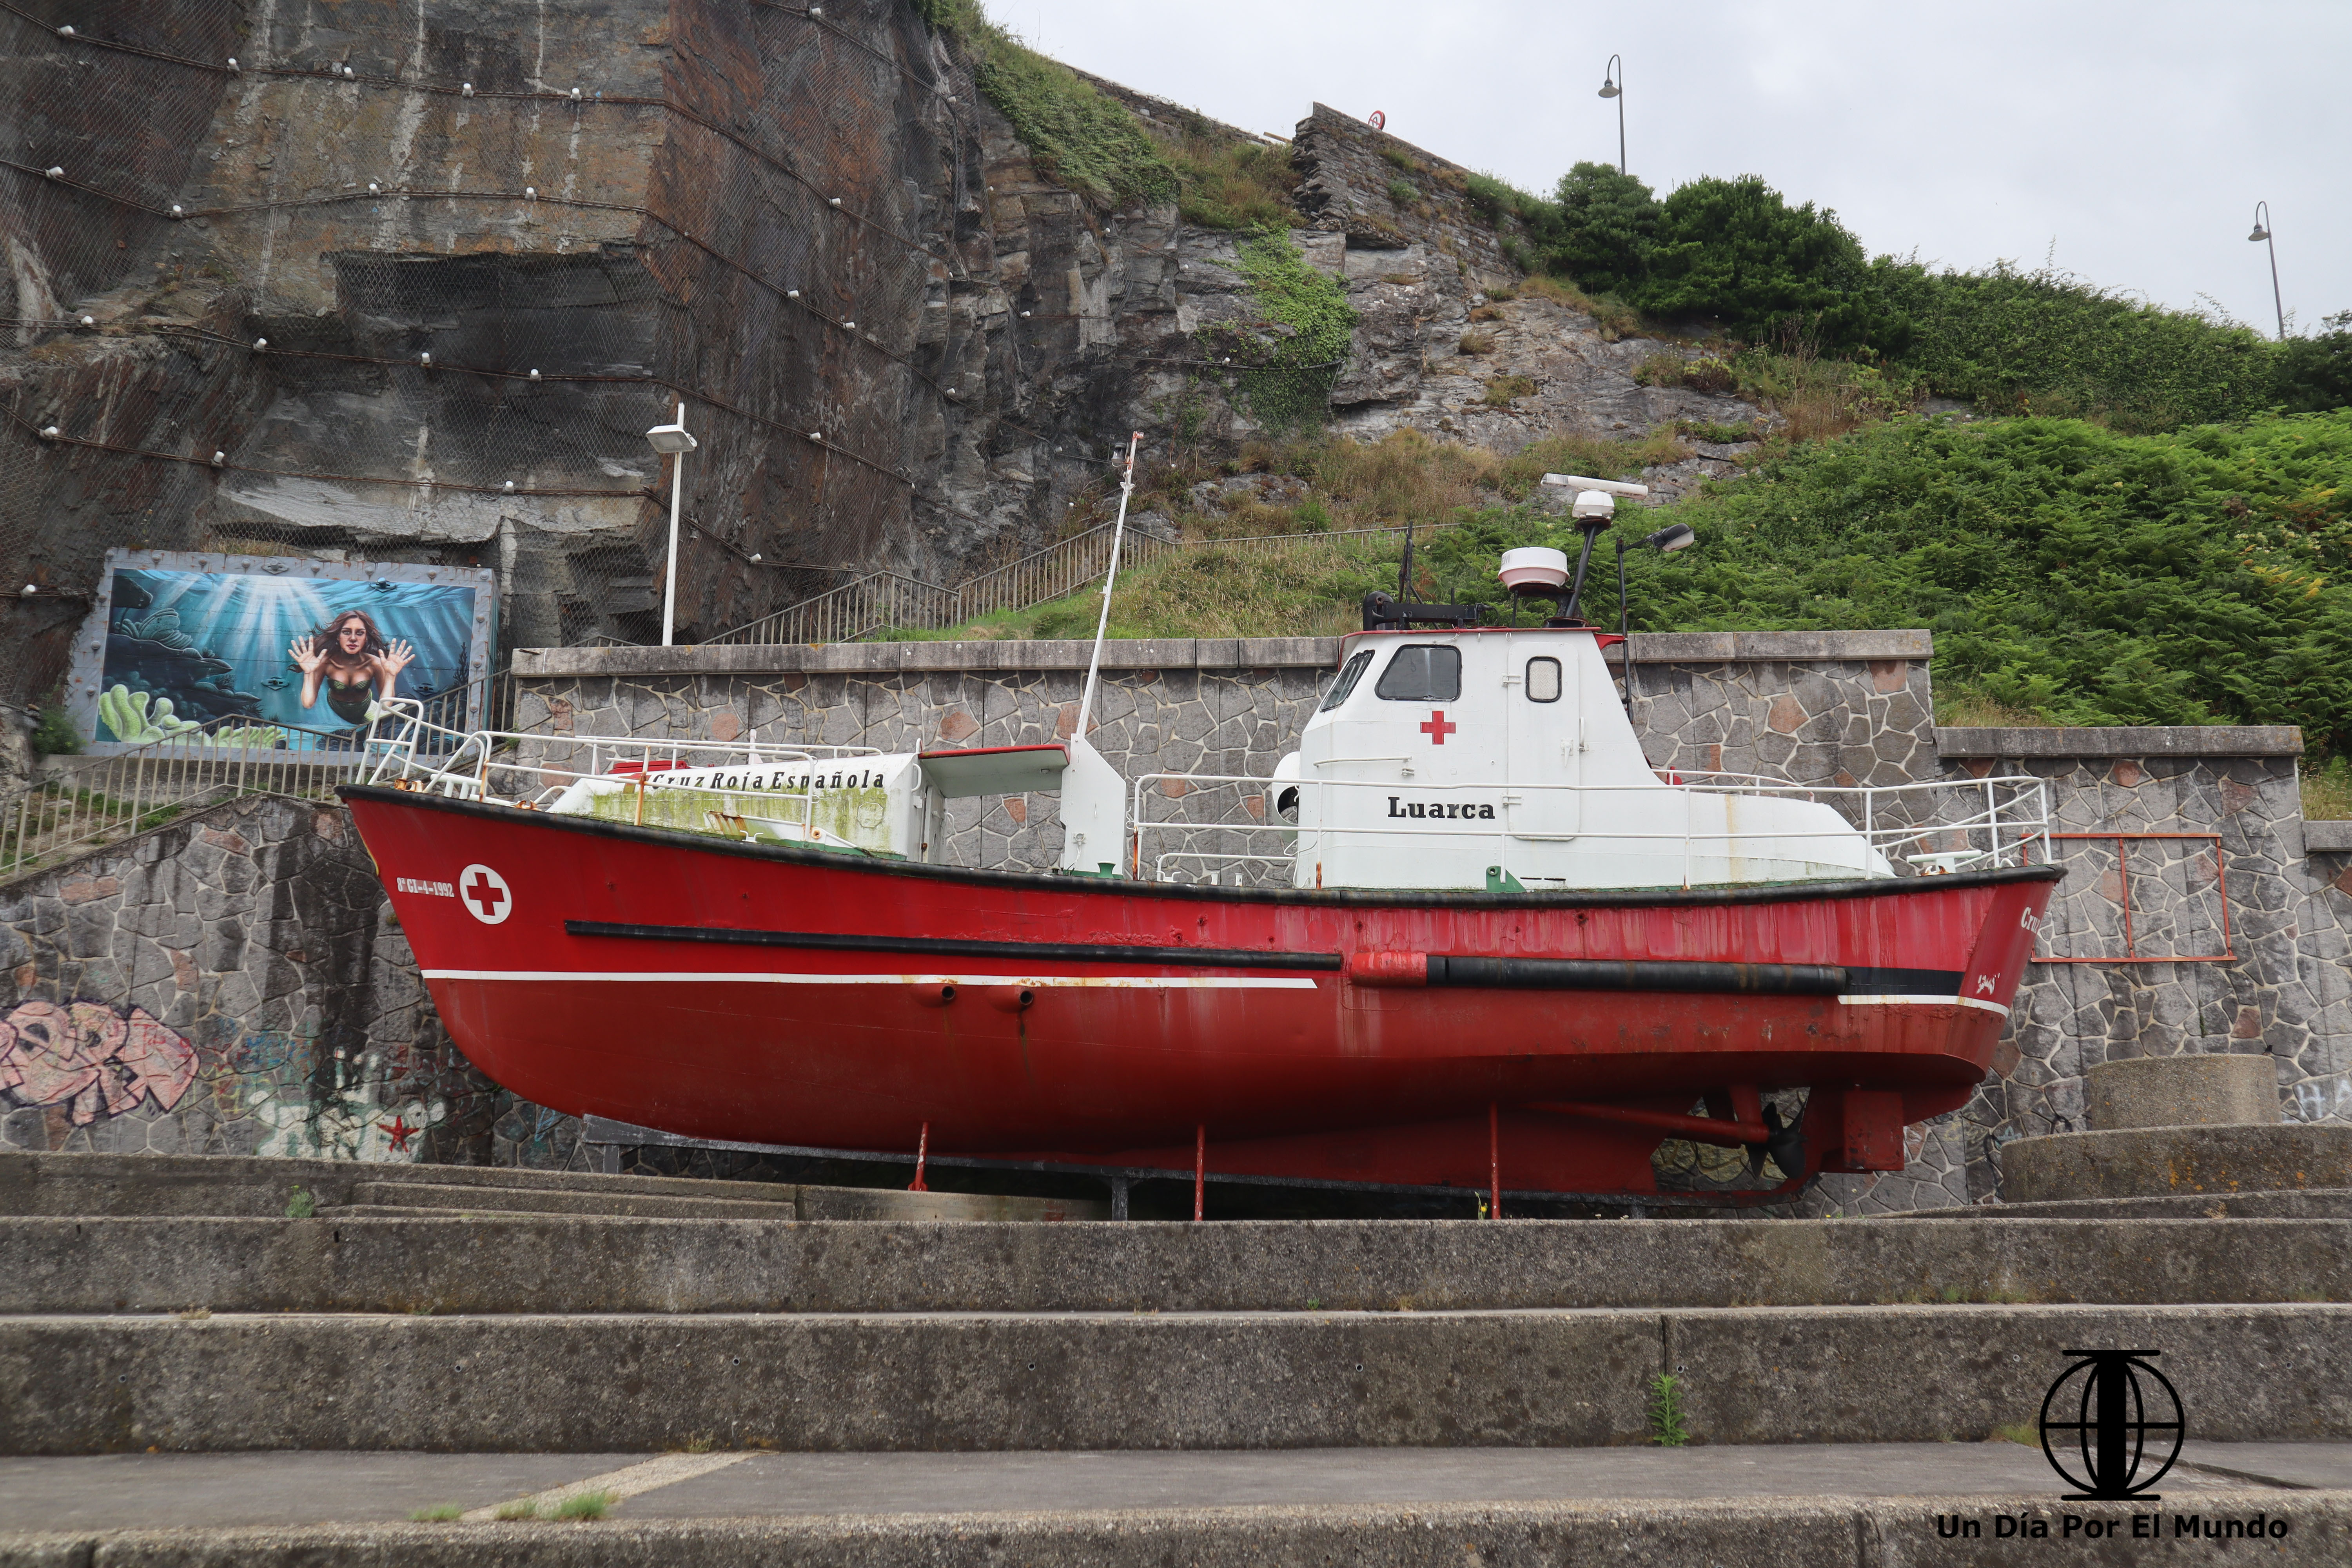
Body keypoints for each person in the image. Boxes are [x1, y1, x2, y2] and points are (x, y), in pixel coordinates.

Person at [289, 609, 414, 727]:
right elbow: (308, 703)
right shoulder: (325, 662)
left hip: (366, 708)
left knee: (388, 714)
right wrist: (309, 673)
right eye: (347, 632)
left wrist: (391, 676)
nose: (353, 639)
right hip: (336, 709)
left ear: (366, 638)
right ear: (338, 636)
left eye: (360, 633)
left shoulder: (376, 663)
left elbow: (386, 705)